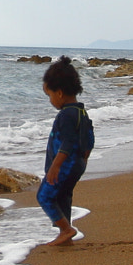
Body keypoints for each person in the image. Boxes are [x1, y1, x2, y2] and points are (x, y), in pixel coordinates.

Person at [37, 56, 94, 246]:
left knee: (44, 196)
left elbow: (68, 143)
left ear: (59, 93)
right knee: (63, 196)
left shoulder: (65, 115)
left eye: (50, 95)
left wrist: (55, 166)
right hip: (77, 164)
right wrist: (85, 158)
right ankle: (65, 231)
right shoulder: (81, 112)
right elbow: (89, 137)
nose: (51, 101)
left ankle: (66, 229)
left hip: (65, 165)